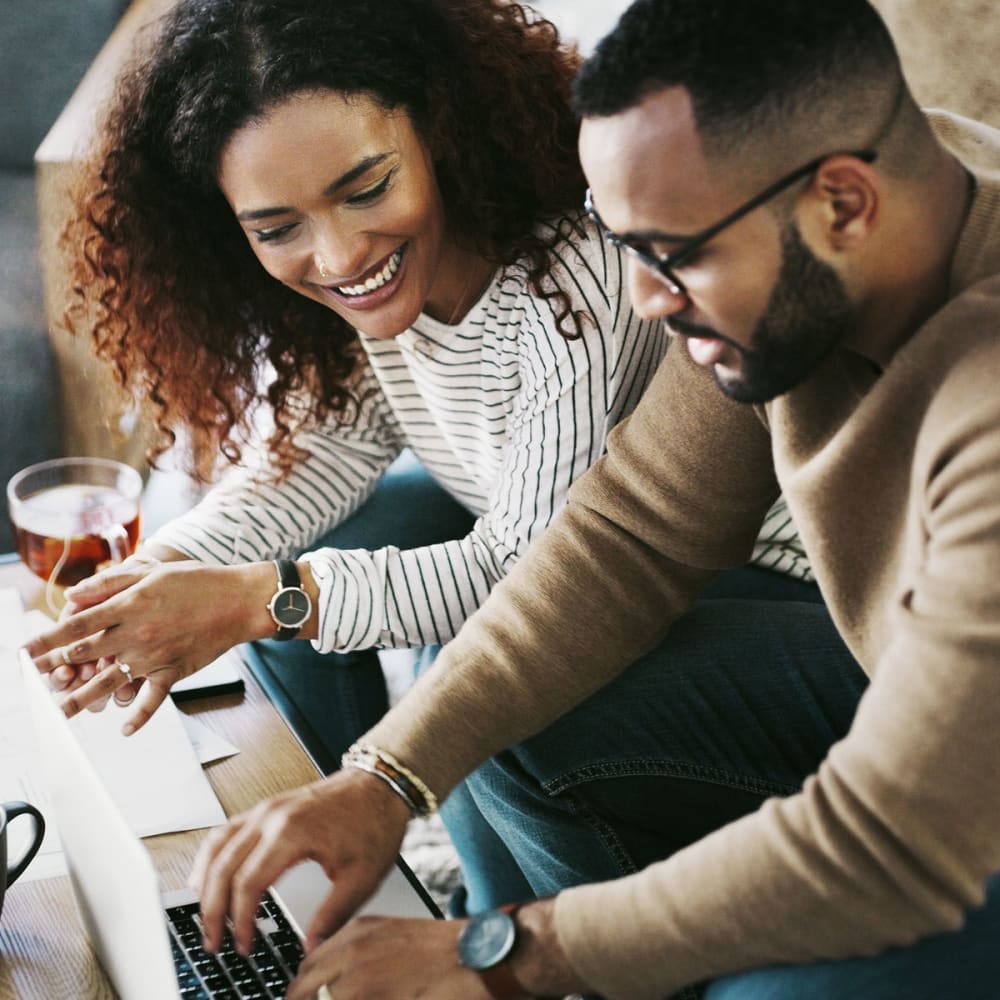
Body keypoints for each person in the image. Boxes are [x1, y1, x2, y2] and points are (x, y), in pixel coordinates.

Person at [175, 0, 1000, 997]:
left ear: (842, 203)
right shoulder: (847, 223)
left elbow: (892, 836)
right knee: (512, 697)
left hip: (952, 819)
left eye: (673, 254)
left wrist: (505, 955)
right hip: (904, 692)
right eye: (631, 249)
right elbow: (630, 535)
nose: (647, 301)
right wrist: (383, 778)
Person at [23, 0, 813, 919]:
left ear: (435, 121)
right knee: (362, 521)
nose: (339, 253)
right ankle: (351, 876)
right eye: (277, 228)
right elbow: (311, 459)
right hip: (569, 558)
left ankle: (562, 949)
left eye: (365, 189)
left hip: (754, 582)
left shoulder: (579, 287)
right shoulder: (368, 295)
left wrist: (253, 600)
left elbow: (536, 586)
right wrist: (150, 577)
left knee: (487, 694)